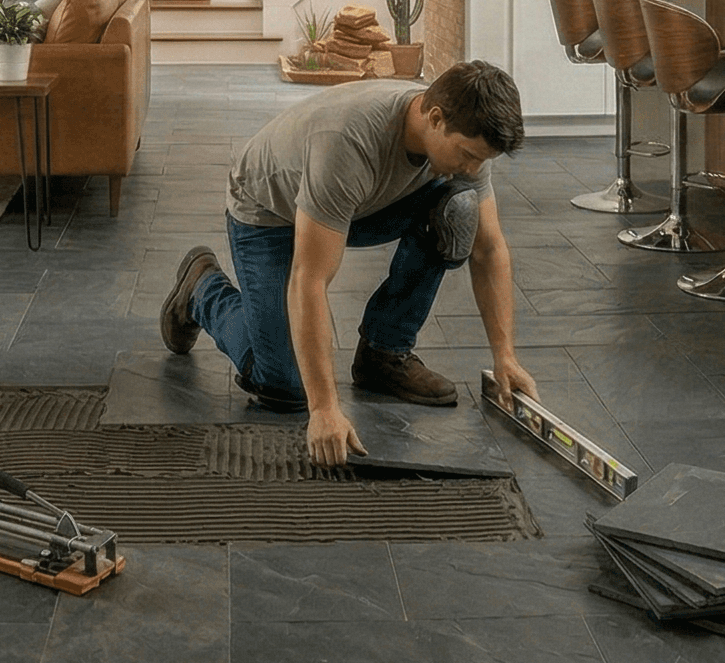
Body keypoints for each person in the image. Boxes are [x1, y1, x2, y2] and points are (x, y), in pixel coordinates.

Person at [157, 60, 534, 465]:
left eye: (481, 159)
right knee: (284, 386)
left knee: (460, 210)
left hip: (359, 203)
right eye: (467, 155)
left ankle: (384, 354)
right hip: (269, 212)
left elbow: (489, 249)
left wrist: (505, 356)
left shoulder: (464, 134)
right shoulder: (347, 141)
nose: (473, 169)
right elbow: (310, 278)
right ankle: (202, 288)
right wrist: (323, 409)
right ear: (435, 117)